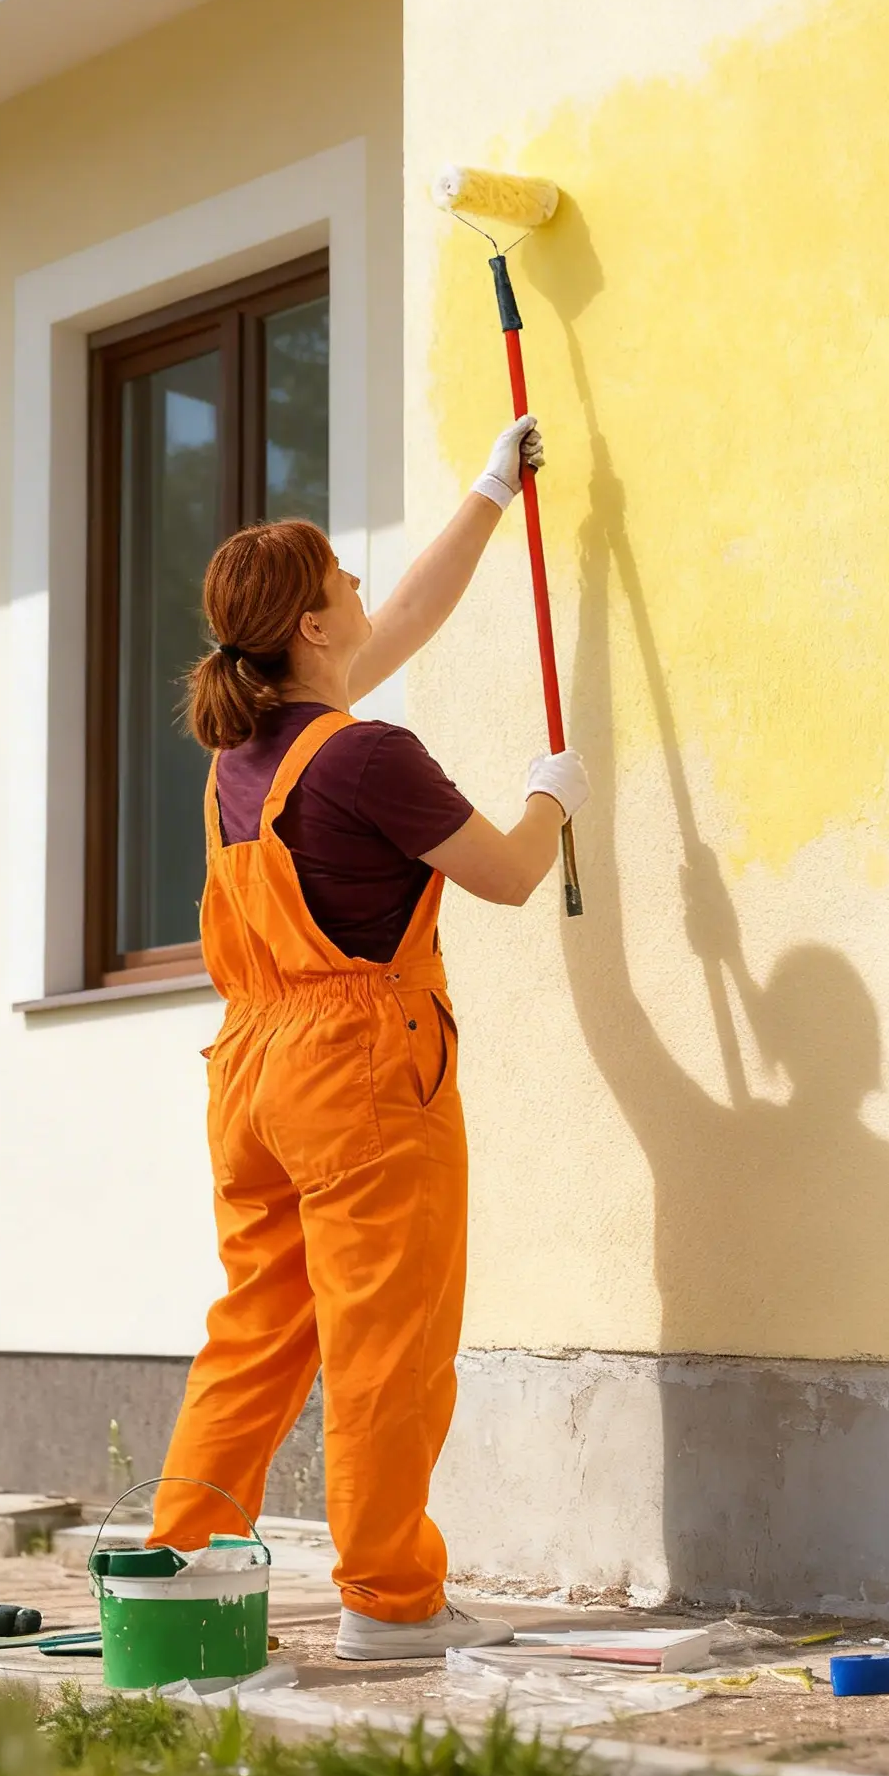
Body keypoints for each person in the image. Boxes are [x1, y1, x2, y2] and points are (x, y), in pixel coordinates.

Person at [146, 415, 588, 1661]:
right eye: (340, 577)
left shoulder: (242, 754)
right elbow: (503, 874)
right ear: (309, 627)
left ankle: (173, 1574)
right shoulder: (370, 758)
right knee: (384, 1346)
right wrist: (556, 790)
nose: (356, 586)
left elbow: (401, 616)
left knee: (258, 1331)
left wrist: (488, 495)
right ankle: (388, 1602)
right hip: (359, 1080)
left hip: (251, 1077)